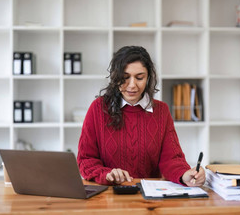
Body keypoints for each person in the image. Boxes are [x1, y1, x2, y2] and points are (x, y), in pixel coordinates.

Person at [77, 46, 205, 186]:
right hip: (108, 193)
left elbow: (172, 159)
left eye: (139, 78)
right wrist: (106, 174)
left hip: (149, 197)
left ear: (148, 78)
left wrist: (184, 175)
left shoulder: (161, 111)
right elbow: (85, 159)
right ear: (115, 77)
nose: (132, 85)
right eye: (125, 77)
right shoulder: (98, 109)